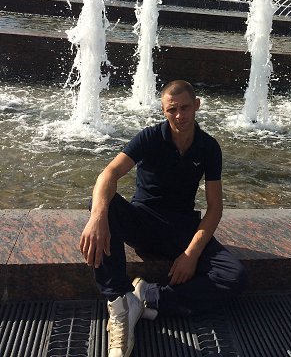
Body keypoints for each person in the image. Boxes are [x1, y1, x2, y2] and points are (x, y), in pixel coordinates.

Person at [79, 80, 247, 357]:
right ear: (163, 110)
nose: (179, 115)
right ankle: (119, 302)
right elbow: (109, 174)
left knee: (233, 276)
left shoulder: (208, 147)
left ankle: (149, 296)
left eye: (185, 108)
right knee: (101, 207)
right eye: (172, 110)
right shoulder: (149, 137)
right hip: (143, 221)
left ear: (197, 105)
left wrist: (191, 254)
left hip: (182, 228)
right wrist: (97, 217)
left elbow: (215, 207)